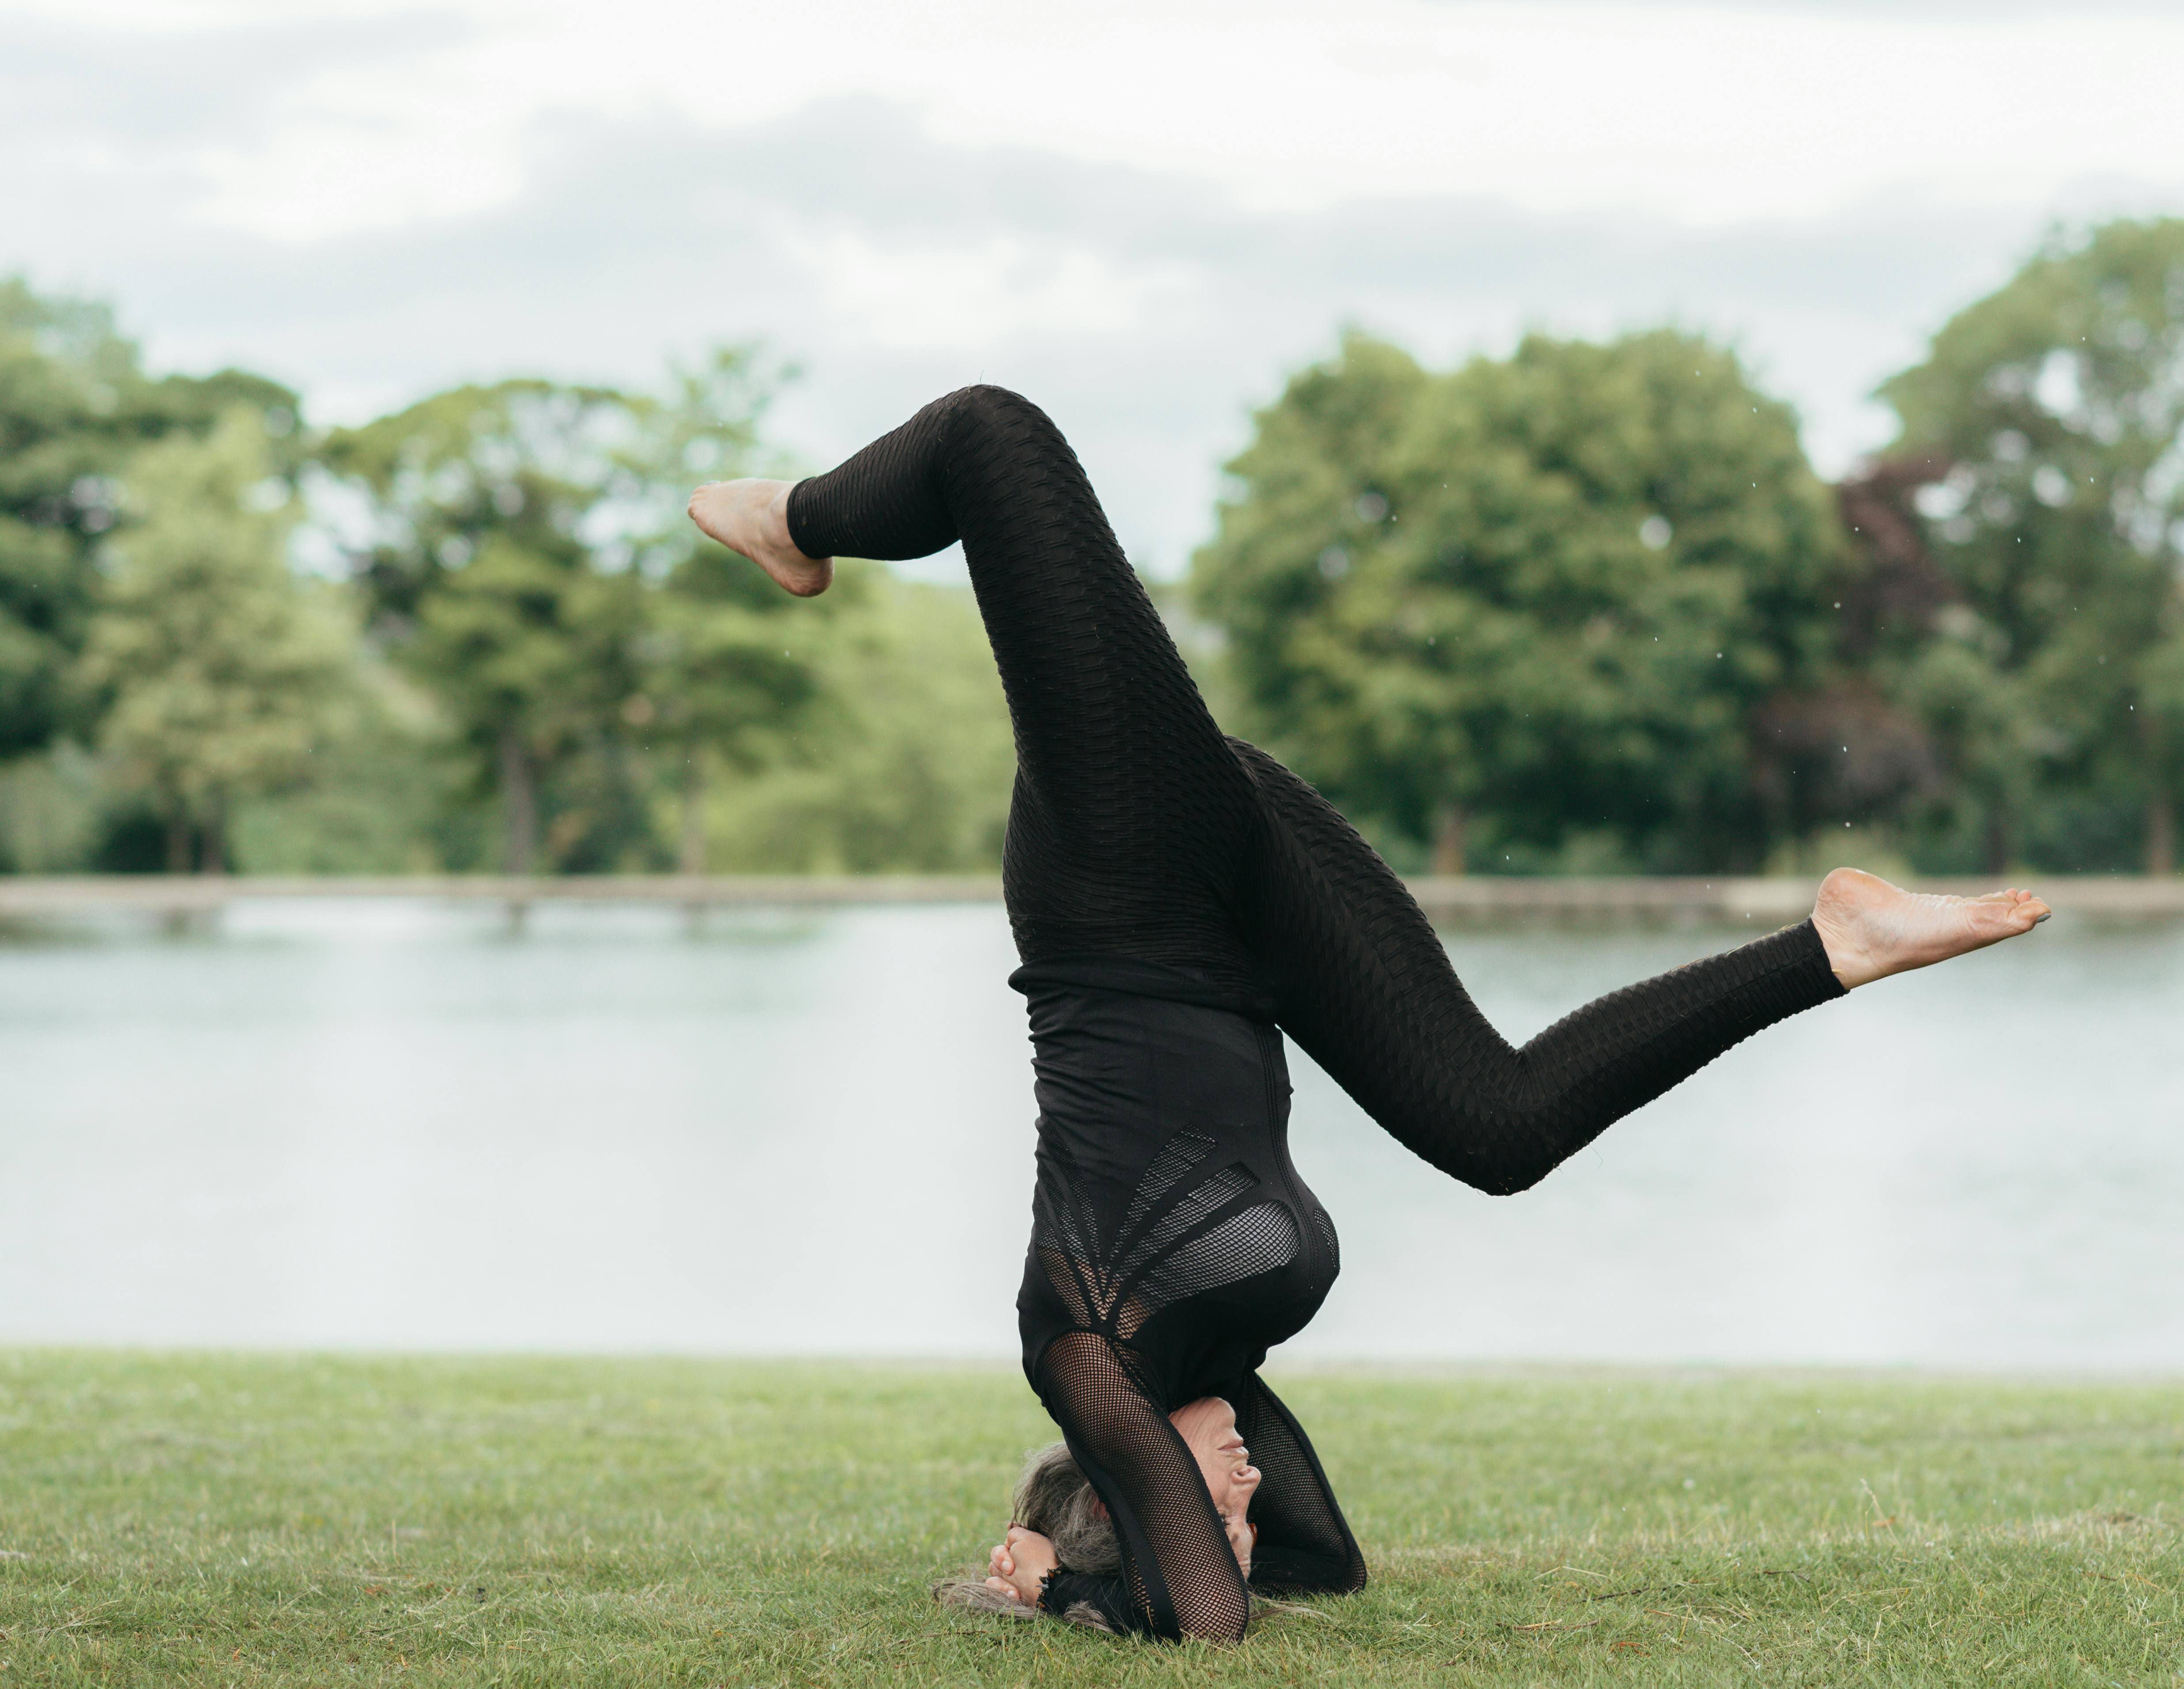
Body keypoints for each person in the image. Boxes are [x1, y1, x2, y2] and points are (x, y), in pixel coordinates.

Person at [686, 386, 2048, 1642]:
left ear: (1131, 1487)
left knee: (994, 440)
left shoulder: (1088, 1348)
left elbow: (1206, 1622)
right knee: (1498, 1127)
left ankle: (789, 520)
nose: (1247, 1481)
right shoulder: (1221, 1357)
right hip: (1248, 920)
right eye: (1234, 1491)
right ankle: (1833, 942)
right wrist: (1151, 1542)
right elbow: (1315, 1566)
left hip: (1121, 890)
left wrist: (1049, 1586)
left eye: (1216, 1492)